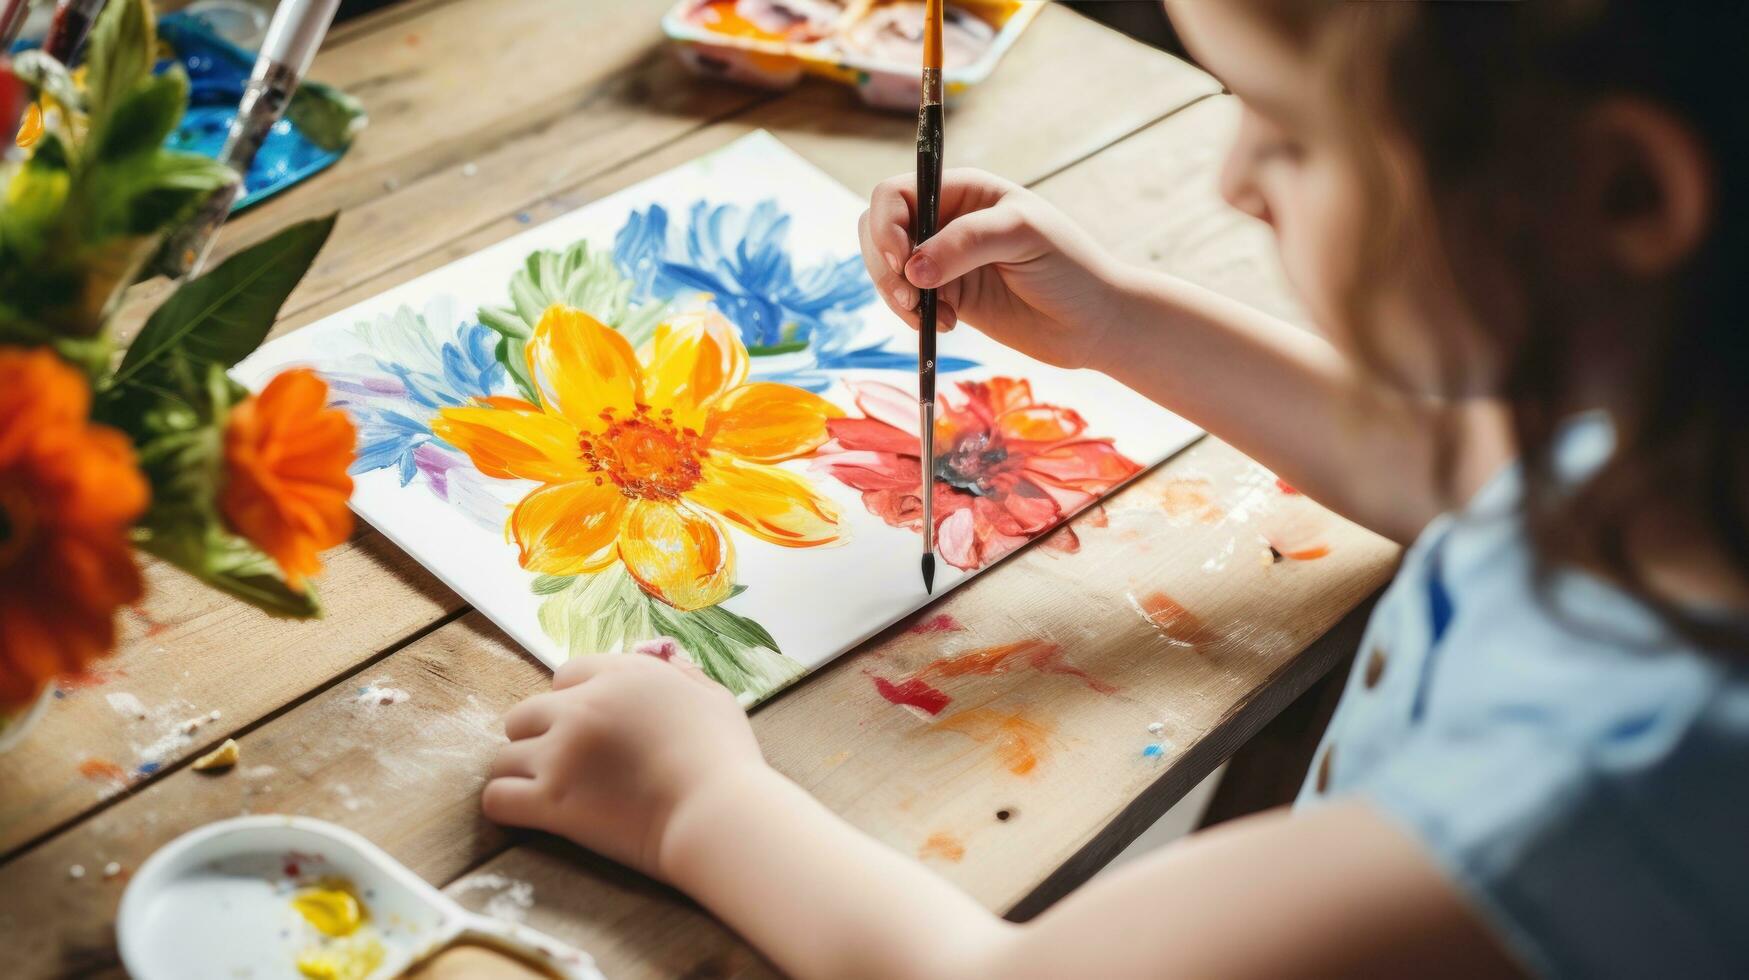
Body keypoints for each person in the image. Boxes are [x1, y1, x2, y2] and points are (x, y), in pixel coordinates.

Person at [480, 3, 1749, 976]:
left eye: (1291, 129)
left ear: (1620, 191)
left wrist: (698, 803)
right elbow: (1438, 468)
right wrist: (1120, 323)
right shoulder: (1679, 463)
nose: (1235, 180)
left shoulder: (1592, 805)